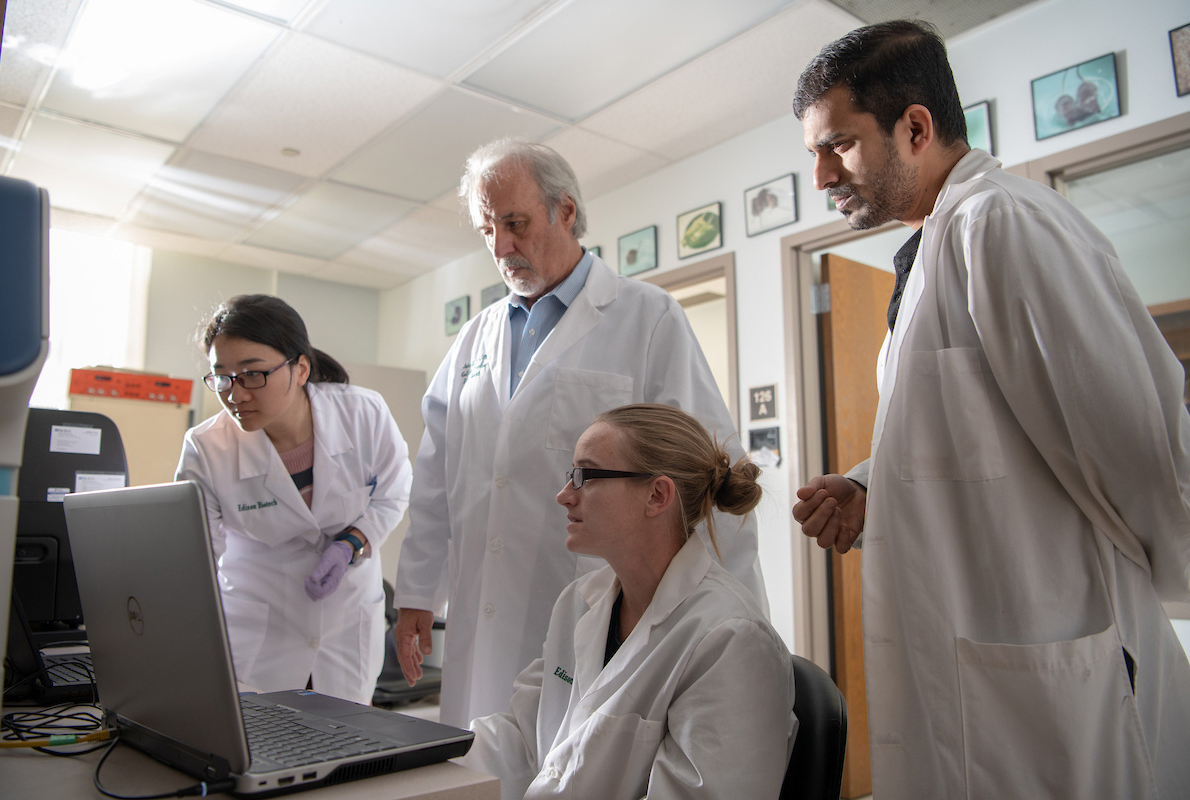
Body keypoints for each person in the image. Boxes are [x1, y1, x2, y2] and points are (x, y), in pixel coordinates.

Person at [790, 20, 1190, 799]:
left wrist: (1160, 590)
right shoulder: (937, 247)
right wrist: (875, 484)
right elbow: (990, 431)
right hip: (993, 673)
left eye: (835, 144)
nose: (818, 176)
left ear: (915, 127)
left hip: (1059, 667)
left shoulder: (1001, 223)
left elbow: (1141, 447)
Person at [394, 139, 766, 727]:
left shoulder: (647, 318)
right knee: (479, 767)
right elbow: (437, 478)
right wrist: (415, 593)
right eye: (487, 228)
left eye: (514, 223)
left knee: (572, 766)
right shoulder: (473, 340)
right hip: (478, 614)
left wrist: (740, 620)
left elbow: (710, 474)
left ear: (565, 211)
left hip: (589, 605)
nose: (501, 246)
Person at [464, 404, 795, 799]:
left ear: (656, 495)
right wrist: (424, 753)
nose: (564, 495)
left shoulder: (730, 640)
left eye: (585, 475)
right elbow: (525, 736)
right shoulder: (578, 604)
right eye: (572, 474)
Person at [176, 294, 411, 705]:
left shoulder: (363, 413)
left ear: (300, 368)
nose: (235, 394)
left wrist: (353, 541)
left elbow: (394, 489)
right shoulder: (207, 448)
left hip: (347, 621)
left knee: (346, 740)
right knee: (263, 744)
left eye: (252, 374)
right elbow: (195, 557)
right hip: (259, 629)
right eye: (221, 377)